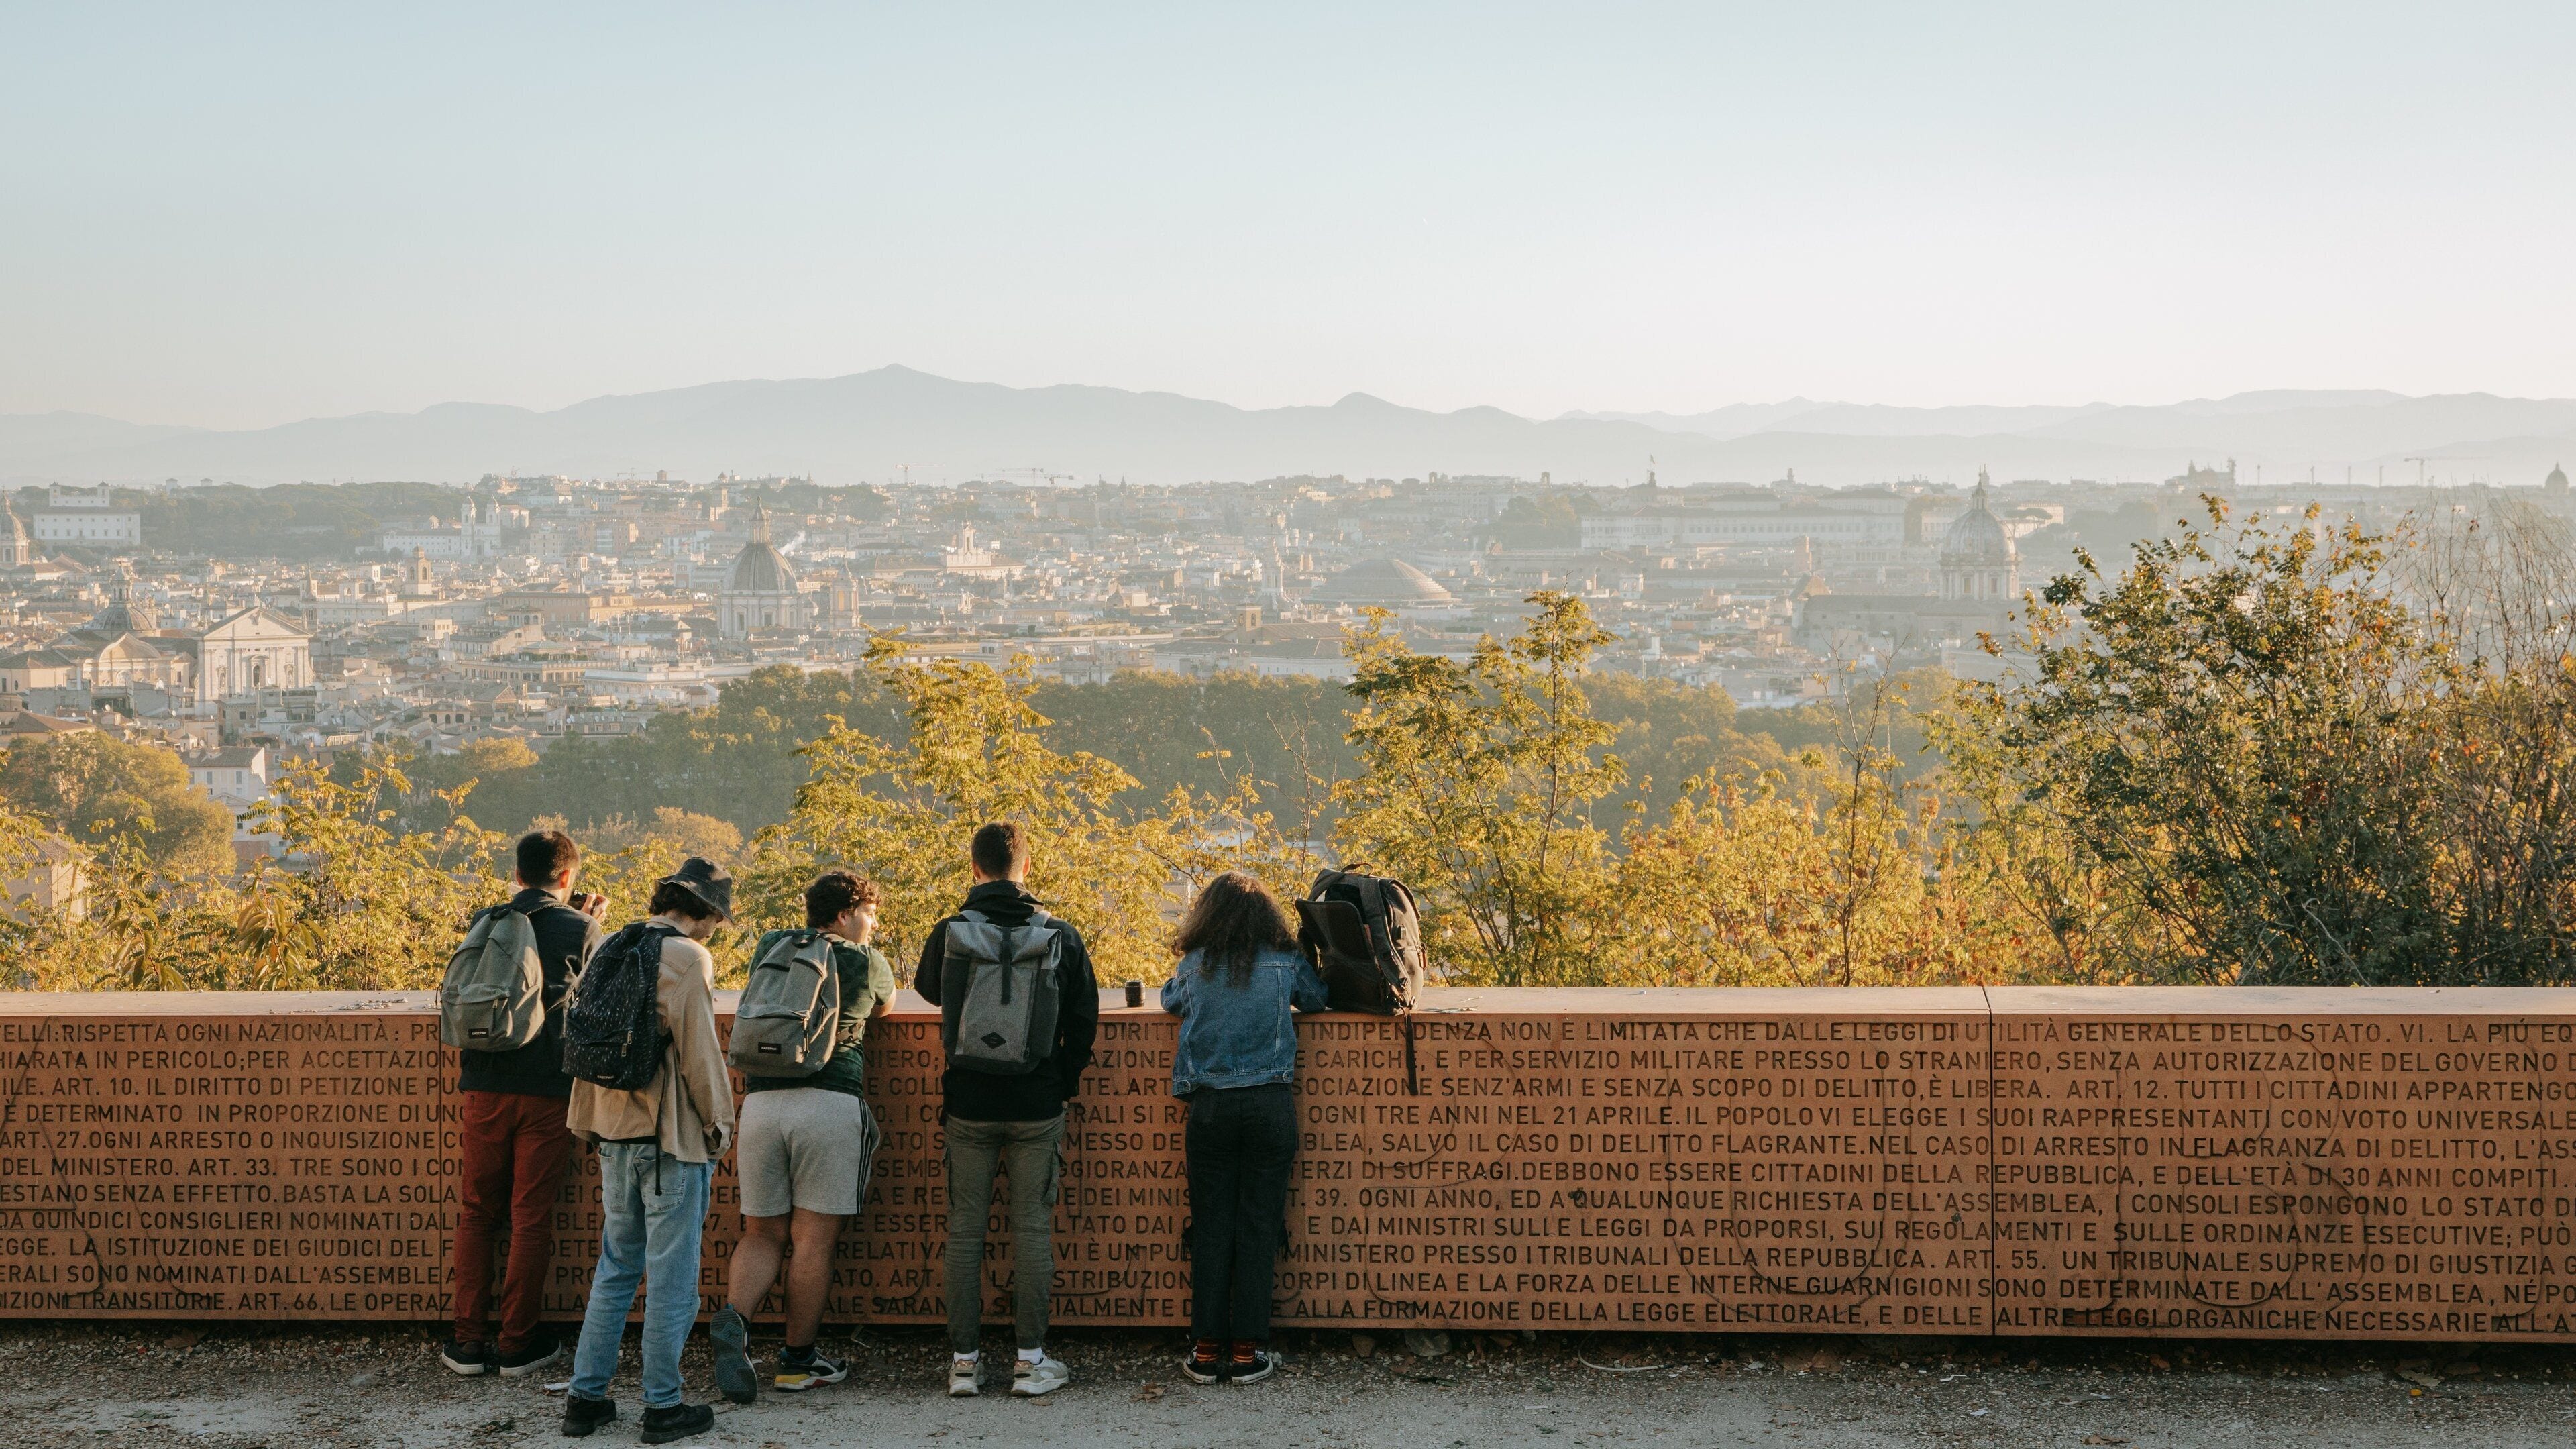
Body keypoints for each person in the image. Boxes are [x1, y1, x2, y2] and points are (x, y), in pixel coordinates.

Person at [914, 822, 1099, 1398]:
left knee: (966, 1231)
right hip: (1037, 1102)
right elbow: (1084, 1019)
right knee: (1031, 1229)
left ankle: (964, 1364)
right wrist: (1059, 1082)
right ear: (1028, 866)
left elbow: (932, 992)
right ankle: (1029, 1361)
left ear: (975, 868)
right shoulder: (1060, 934)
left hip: (968, 1100)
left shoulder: (950, 932)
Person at [561, 858, 737, 1445]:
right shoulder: (688, 958)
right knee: (673, 1279)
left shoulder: (616, 942)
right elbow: (699, 1055)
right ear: (705, 911)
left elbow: (588, 1036)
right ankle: (663, 1407)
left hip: (612, 1134)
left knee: (615, 1268)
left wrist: (586, 1122)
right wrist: (720, 1126)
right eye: (717, 915)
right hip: (668, 1143)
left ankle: (586, 1400)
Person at [710, 870, 898, 1403]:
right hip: (830, 1102)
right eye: (870, 913)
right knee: (813, 1239)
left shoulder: (774, 945)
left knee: (761, 1233)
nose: (874, 923)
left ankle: (737, 1322)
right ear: (844, 915)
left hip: (764, 1104)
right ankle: (796, 1362)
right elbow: (883, 1009)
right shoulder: (867, 961)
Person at [440, 830, 604, 1379]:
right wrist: (587, 921)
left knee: (477, 1211)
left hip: (483, 1082)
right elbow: (596, 998)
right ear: (566, 878)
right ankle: (517, 1344)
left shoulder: (487, 921)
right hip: (548, 1092)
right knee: (529, 1216)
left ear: (516, 875)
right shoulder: (581, 928)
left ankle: (466, 1343)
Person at [1159, 872, 1330, 1384]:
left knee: (1211, 1227)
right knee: (1258, 1227)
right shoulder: (1285, 964)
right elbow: (1317, 1000)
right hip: (1269, 1107)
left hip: (1210, 1110)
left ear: (1207, 916)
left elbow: (1169, 1000)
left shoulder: (1195, 966)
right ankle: (1248, 1351)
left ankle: (1207, 1350)